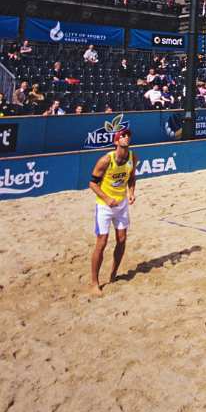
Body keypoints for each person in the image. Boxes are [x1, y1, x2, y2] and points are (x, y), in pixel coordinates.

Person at [89, 127, 137, 296]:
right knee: (101, 243)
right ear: (116, 141)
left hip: (121, 204)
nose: (126, 137)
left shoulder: (132, 157)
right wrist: (107, 198)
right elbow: (92, 183)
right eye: (122, 136)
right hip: (104, 205)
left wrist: (131, 192)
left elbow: (131, 177)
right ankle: (94, 283)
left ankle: (113, 274)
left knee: (122, 239)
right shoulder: (105, 160)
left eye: (128, 135)